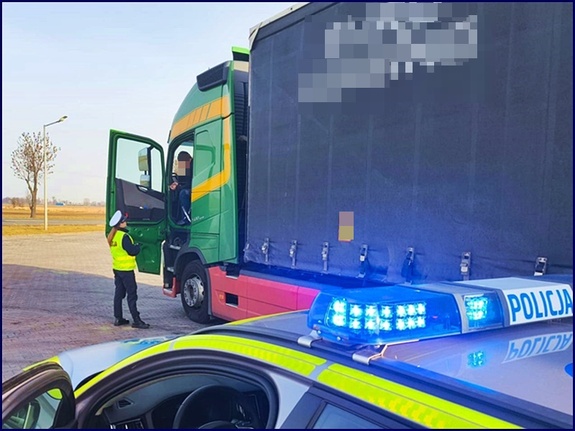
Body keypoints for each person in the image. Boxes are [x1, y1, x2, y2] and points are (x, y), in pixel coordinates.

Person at [106, 210, 150, 329]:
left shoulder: (112, 236)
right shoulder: (124, 237)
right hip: (126, 270)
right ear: (120, 223)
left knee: (119, 294)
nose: (126, 222)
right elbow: (132, 251)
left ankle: (118, 318)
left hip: (117, 268)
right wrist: (138, 246)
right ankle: (137, 320)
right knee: (132, 295)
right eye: (124, 221)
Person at [169, 150, 193, 225]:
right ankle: (178, 217)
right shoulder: (184, 165)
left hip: (195, 187)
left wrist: (180, 187)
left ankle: (186, 219)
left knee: (183, 194)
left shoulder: (194, 166)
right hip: (188, 187)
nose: (182, 164)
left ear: (189, 160)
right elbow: (182, 180)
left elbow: (191, 182)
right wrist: (176, 184)